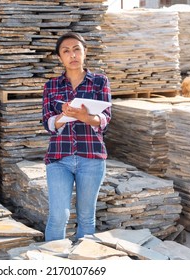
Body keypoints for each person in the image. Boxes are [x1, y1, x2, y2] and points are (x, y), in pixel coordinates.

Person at [42, 32, 112, 241]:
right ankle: (50, 264)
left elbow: (106, 118)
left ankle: (84, 264)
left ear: (85, 52)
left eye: (76, 49)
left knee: (86, 217)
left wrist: (86, 117)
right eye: (66, 51)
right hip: (59, 158)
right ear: (59, 58)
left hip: (91, 157)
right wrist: (63, 116)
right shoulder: (51, 86)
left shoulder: (100, 81)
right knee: (58, 215)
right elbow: (48, 122)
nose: (72, 55)